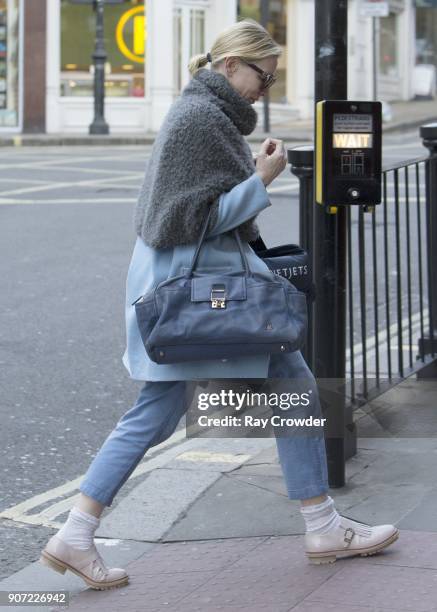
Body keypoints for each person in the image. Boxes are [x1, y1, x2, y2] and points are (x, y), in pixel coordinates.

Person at [39, 19, 399, 591]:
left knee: (284, 389)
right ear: (230, 65)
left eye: (273, 79)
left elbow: (200, 212)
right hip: (192, 293)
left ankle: (320, 523)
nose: (266, 88)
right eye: (263, 75)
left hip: (199, 291)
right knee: (158, 412)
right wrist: (261, 178)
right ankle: (76, 534)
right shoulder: (198, 119)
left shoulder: (209, 115)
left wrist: (251, 179)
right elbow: (185, 223)